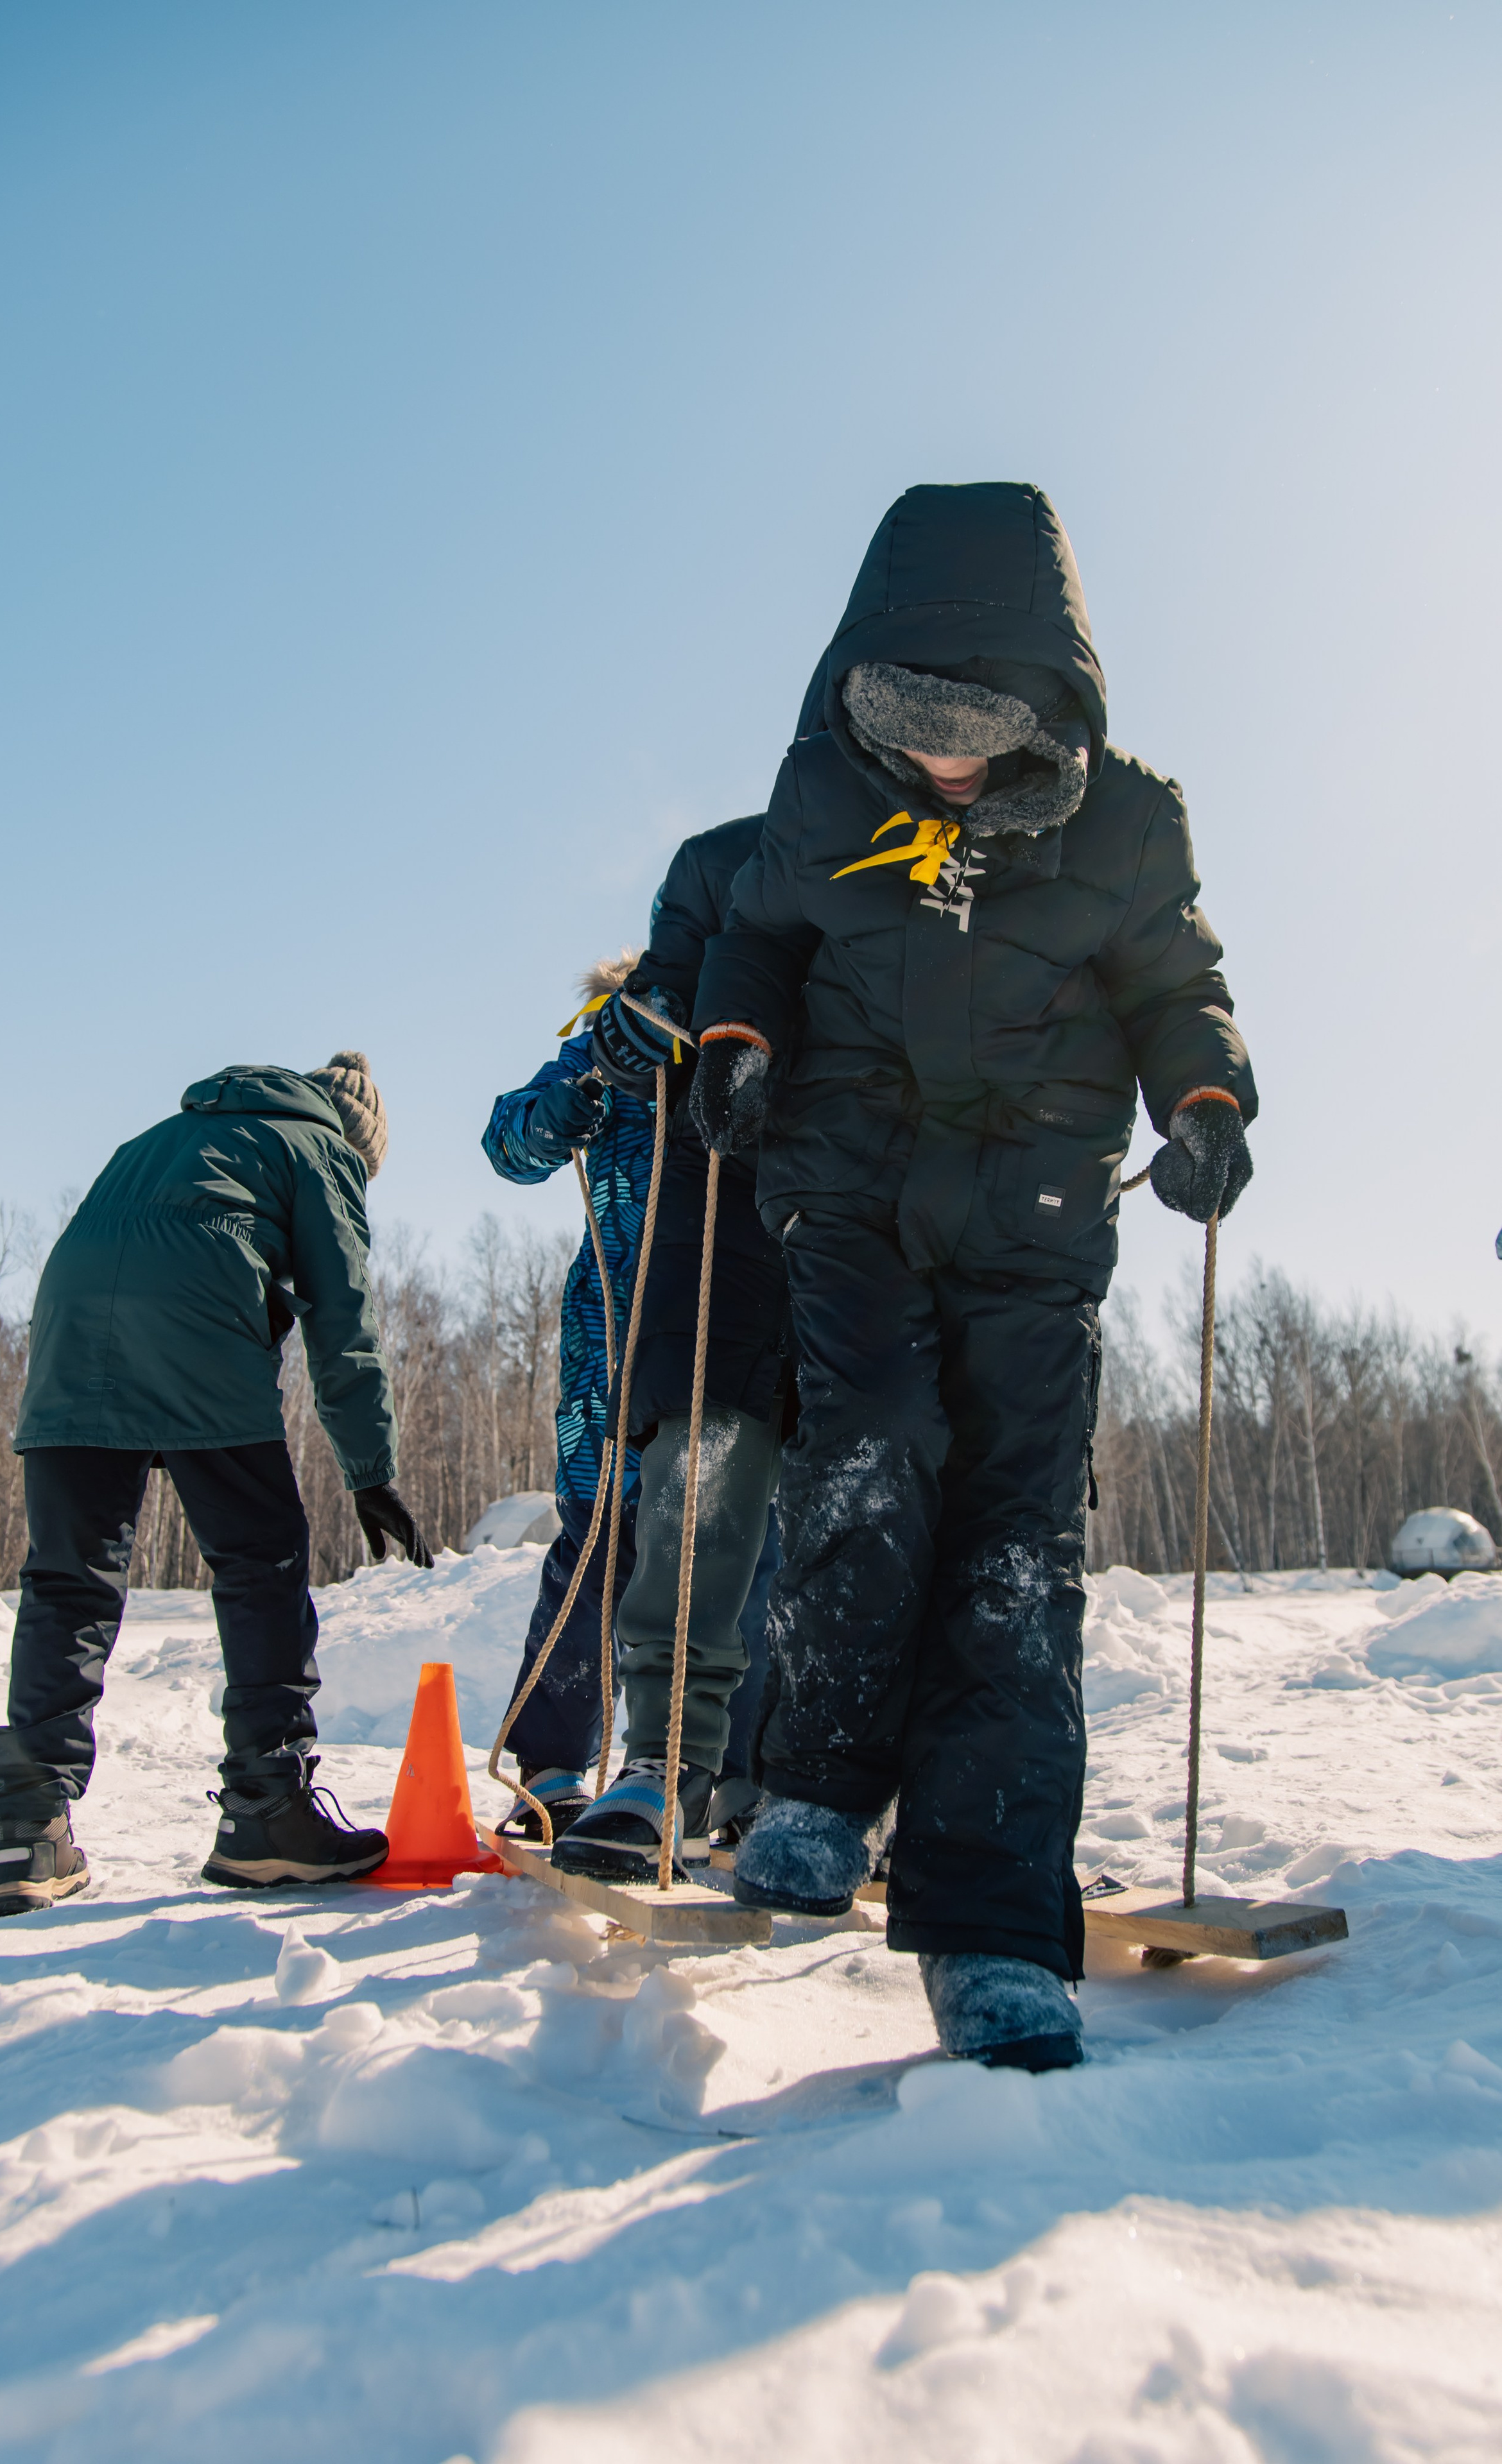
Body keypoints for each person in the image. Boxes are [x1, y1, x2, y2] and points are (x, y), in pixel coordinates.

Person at [690, 483, 1257, 2071]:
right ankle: (814, 1788)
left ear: (1045, 710)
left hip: (1033, 1210)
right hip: (850, 1190)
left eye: (976, 736)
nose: (941, 765)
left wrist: (1203, 1100)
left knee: (1011, 1541)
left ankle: (993, 1927)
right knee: (865, 1454)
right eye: (908, 729)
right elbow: (756, 937)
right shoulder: (820, 787)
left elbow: (1177, 980)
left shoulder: (1126, 818)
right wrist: (735, 1041)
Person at [0, 1053, 431, 1919]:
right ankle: (267, 1811)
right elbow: (345, 1320)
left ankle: (26, 1826)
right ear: (358, 1141)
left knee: (69, 1579)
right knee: (262, 1562)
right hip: (197, 1324)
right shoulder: (320, 1147)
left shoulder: (162, 1136)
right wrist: (372, 1472)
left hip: (70, 1333)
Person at [550, 817, 795, 1881]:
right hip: (641, 1321)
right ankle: (606, 1763)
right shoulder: (625, 1048)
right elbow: (515, 1131)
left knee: (789, 1550)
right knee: (617, 1541)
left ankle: (770, 1782)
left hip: (824, 1224)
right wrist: (583, 1084)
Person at [482, 958, 655, 1837]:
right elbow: (507, 1141)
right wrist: (567, 1104)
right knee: (597, 1543)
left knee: (734, 1553)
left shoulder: (743, 1024)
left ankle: (716, 1769)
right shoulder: (609, 1044)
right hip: (612, 1336)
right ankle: (551, 1765)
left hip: (728, 1321)